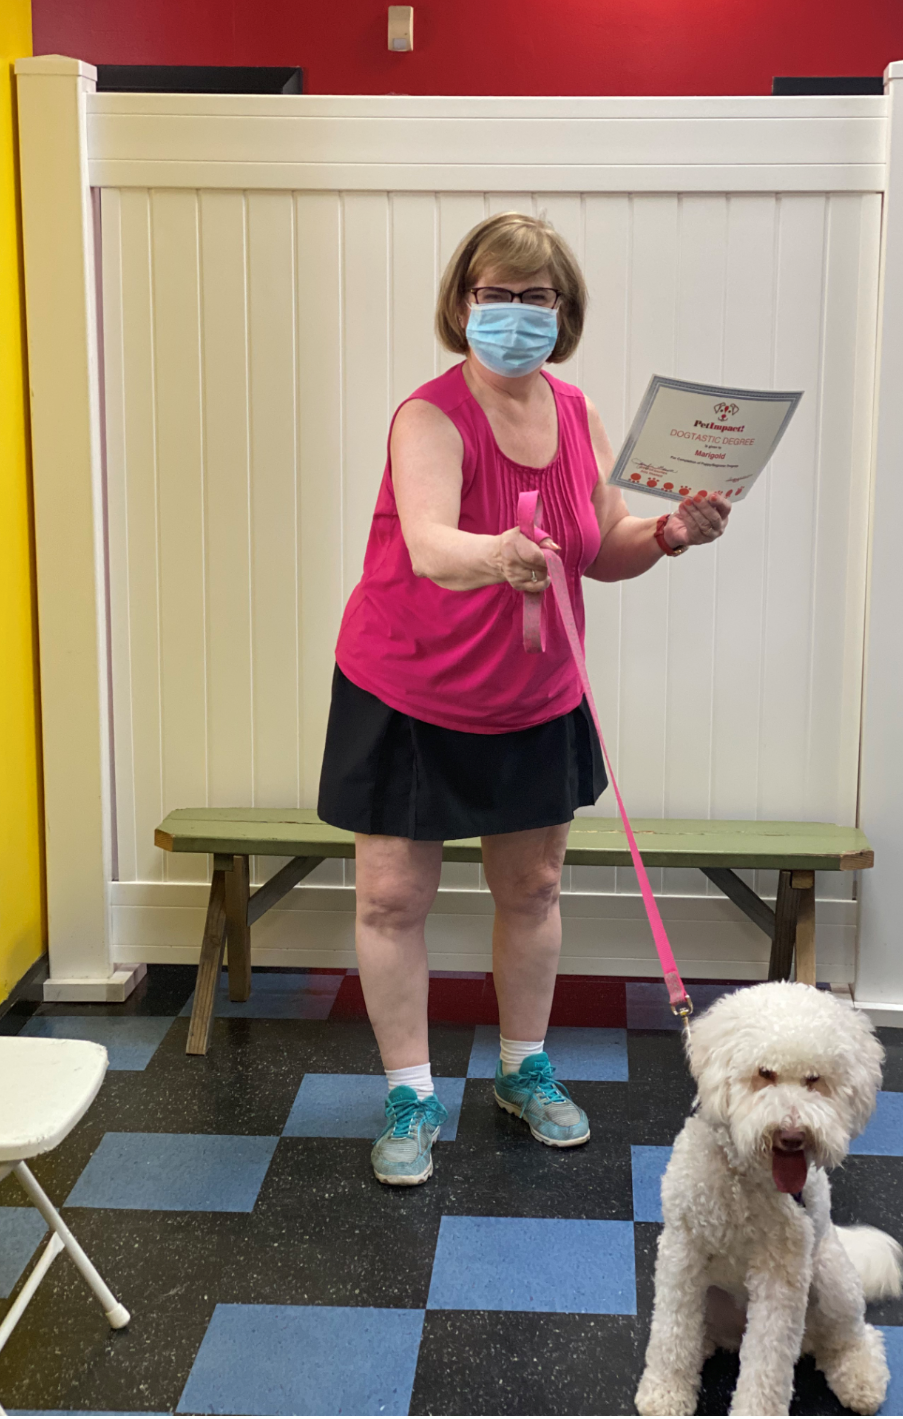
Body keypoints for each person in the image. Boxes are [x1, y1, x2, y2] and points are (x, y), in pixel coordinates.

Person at [318, 212, 730, 1186]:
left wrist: (672, 532)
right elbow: (426, 542)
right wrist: (494, 554)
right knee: (391, 896)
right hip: (406, 685)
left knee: (534, 888)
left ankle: (521, 1070)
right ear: (462, 306)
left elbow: (602, 549)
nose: (513, 313)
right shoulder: (428, 415)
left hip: (533, 694)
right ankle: (412, 1091)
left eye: (534, 298)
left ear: (564, 311)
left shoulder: (581, 414)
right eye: (493, 295)